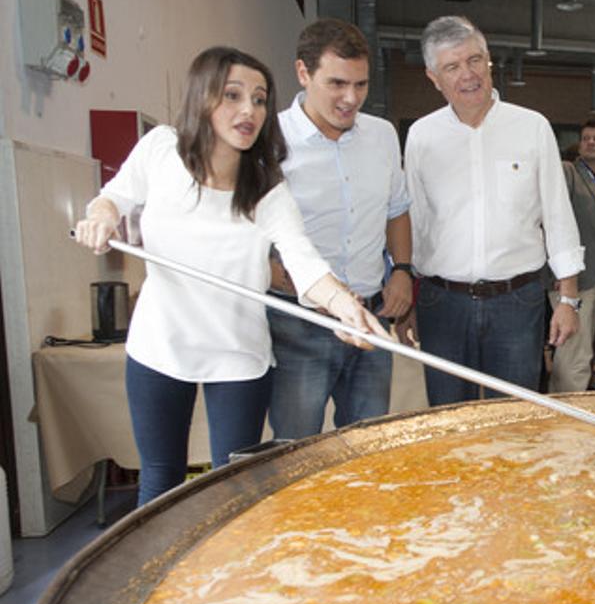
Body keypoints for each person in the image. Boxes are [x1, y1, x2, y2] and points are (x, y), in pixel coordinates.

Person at [72, 46, 384, 505]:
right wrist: (98, 216)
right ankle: (163, 581)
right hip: (160, 346)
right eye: (233, 95)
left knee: (233, 492)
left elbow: (304, 263)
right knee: (160, 482)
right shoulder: (161, 149)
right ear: (203, 97)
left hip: (238, 353)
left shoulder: (267, 189)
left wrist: (345, 308)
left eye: (259, 99)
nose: (249, 110)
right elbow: (113, 197)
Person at [404, 16, 584, 405]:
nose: (468, 74)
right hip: (442, 304)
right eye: (452, 67)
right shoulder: (421, 136)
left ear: (489, 61)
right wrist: (411, 299)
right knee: (450, 421)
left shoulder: (532, 127)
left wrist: (568, 300)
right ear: (433, 77)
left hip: (517, 303)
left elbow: (557, 214)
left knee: (515, 419)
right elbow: (415, 220)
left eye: (475, 60)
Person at [266, 18, 411, 439]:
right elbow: (251, 229)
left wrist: (401, 270)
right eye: (337, 84)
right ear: (302, 73)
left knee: (367, 445)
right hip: (297, 318)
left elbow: (397, 209)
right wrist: (277, 276)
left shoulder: (382, 135)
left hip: (370, 316)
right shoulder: (270, 138)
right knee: (297, 450)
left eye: (361, 85)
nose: (351, 99)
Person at [548, 119, 595, 393]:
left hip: (593, 279)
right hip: (571, 280)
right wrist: (560, 273)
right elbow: (552, 219)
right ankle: (567, 418)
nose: (591, 142)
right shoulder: (569, 172)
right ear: (579, 144)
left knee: (579, 354)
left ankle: (565, 407)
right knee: (574, 357)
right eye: (586, 137)